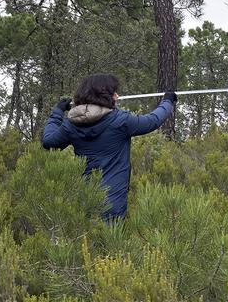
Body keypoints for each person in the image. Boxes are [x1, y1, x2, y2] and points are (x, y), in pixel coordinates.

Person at [42, 74, 176, 220]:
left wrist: (57, 112)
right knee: (110, 241)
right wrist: (168, 101)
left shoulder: (71, 125)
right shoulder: (120, 121)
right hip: (113, 203)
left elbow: (48, 142)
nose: (117, 96)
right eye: (114, 93)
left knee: (85, 242)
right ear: (104, 96)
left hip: (85, 201)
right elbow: (153, 121)